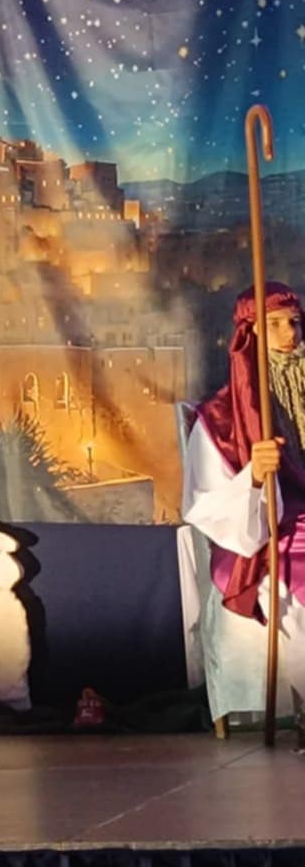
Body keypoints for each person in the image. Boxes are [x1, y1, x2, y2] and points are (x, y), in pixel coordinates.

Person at [185, 284, 305, 670]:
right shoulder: (220, 417)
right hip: (267, 535)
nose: (290, 334)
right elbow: (207, 503)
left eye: (294, 322)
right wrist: (253, 476)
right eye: (275, 324)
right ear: (249, 334)